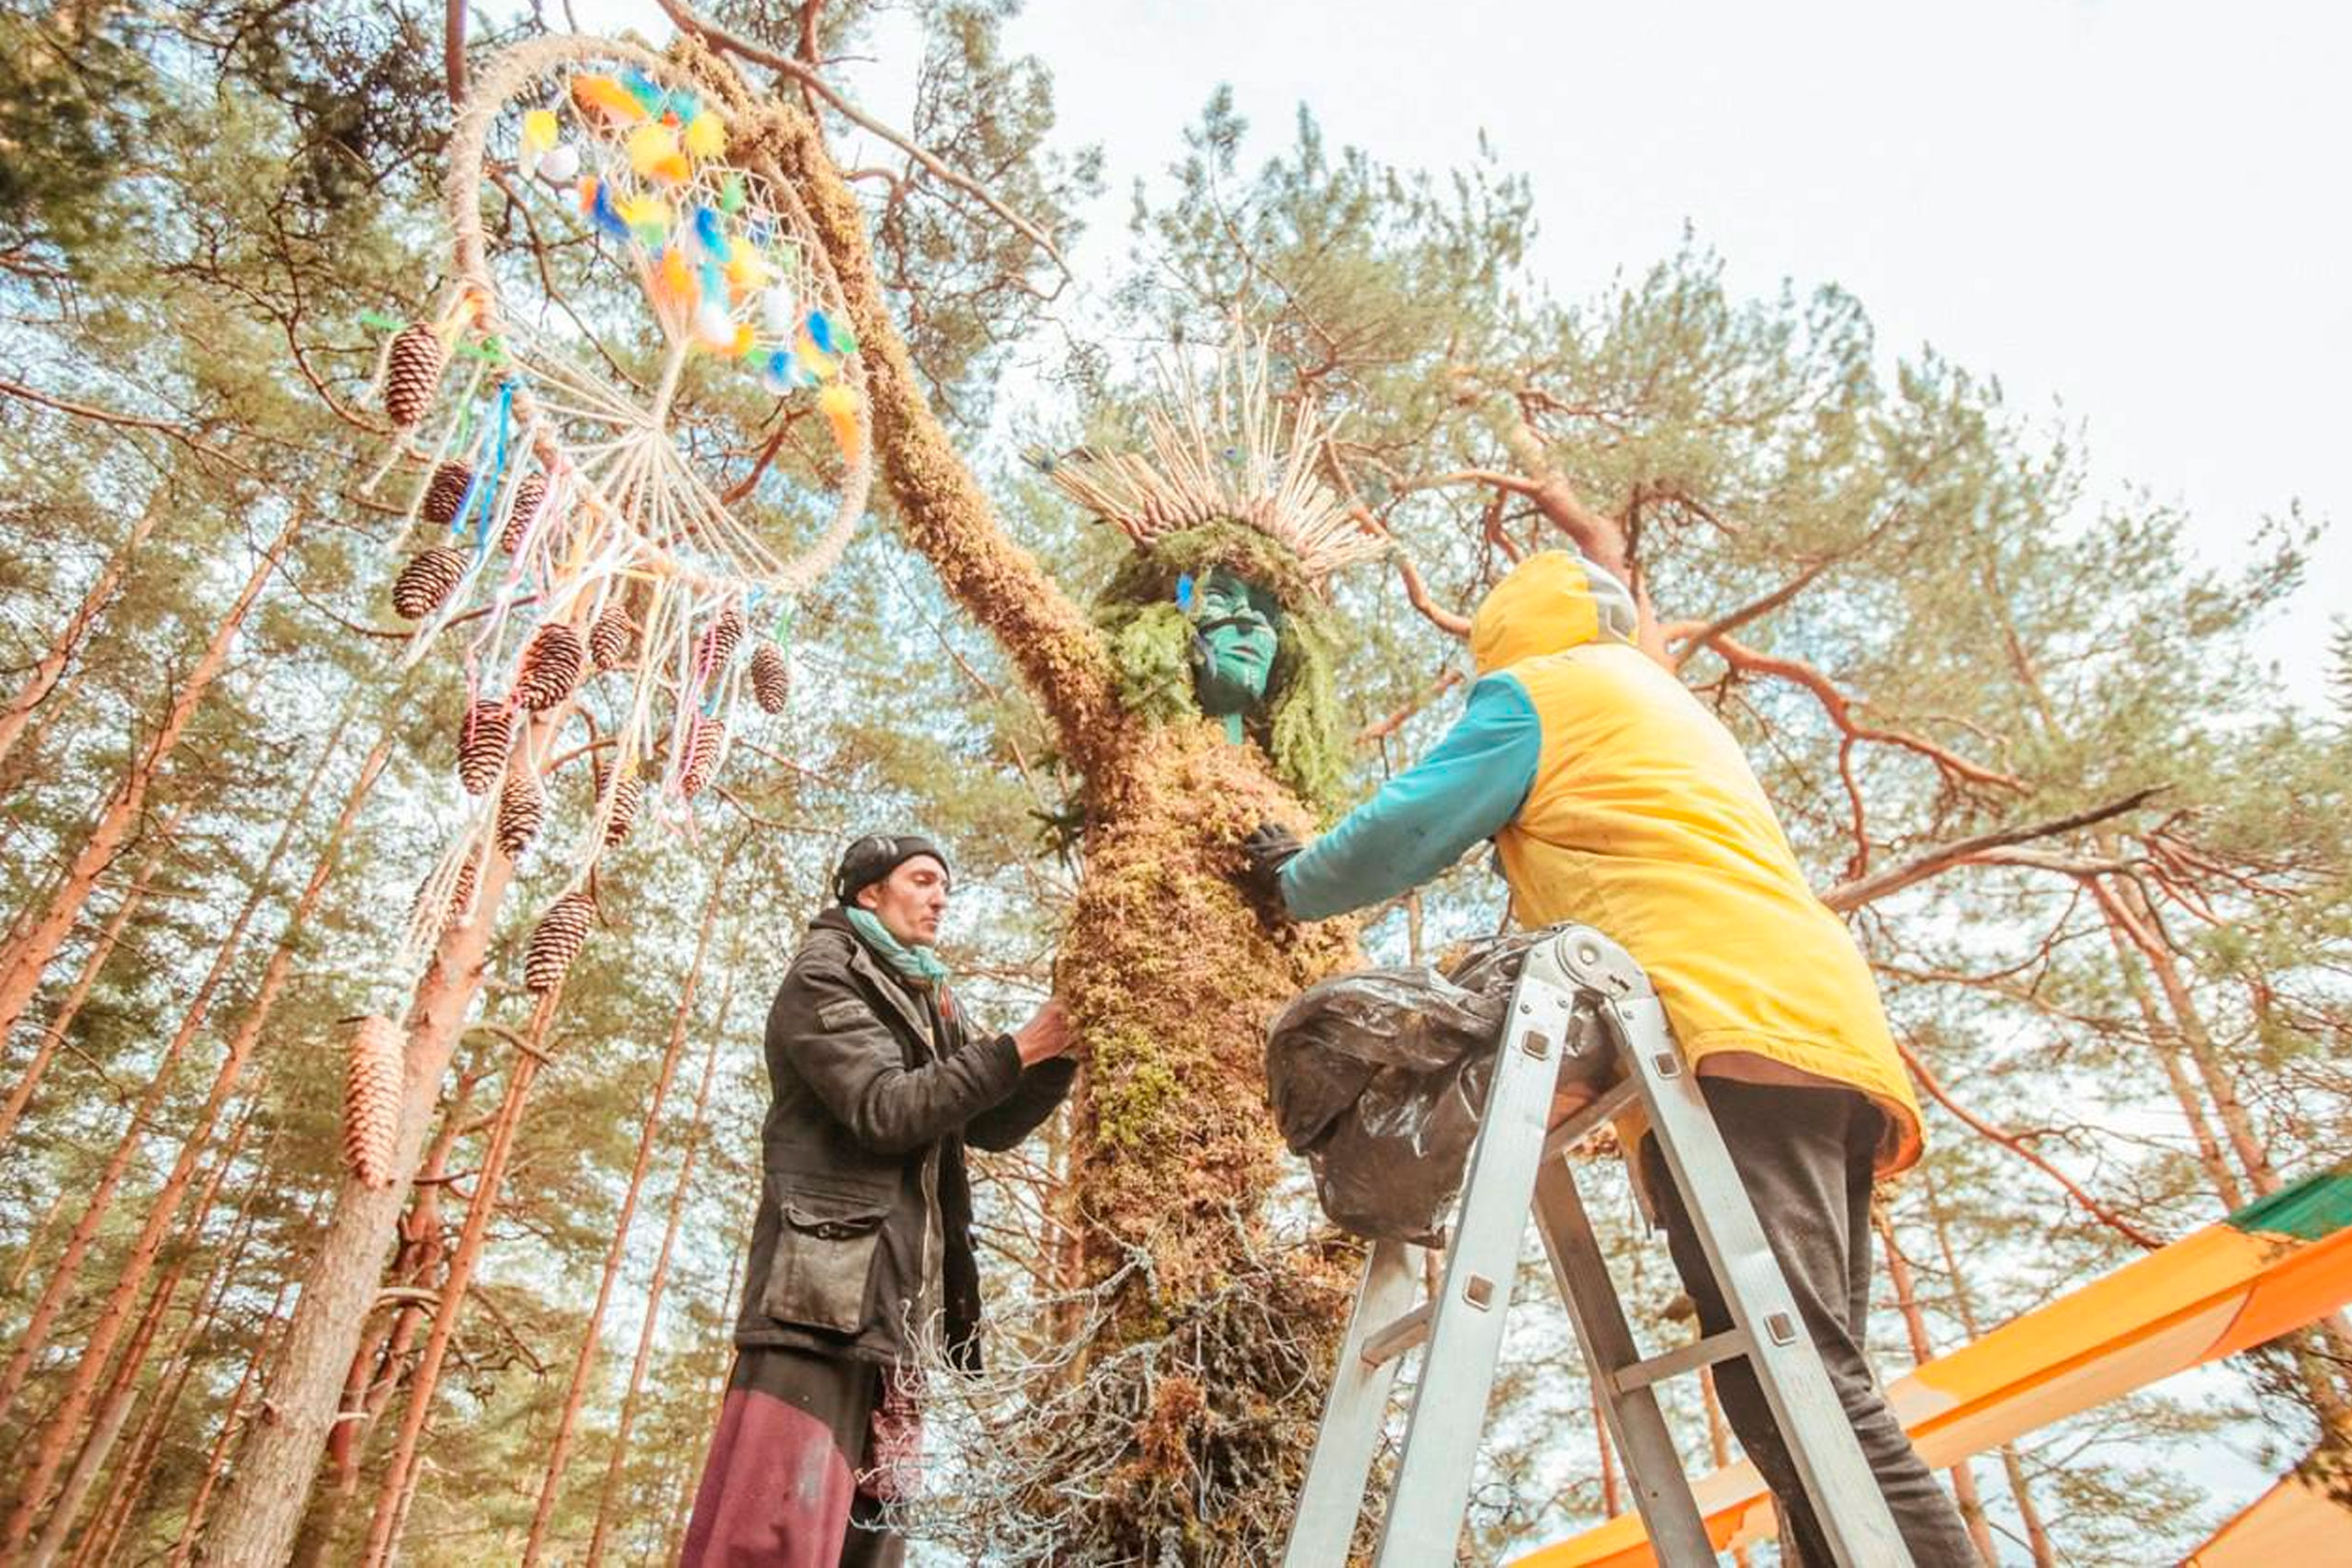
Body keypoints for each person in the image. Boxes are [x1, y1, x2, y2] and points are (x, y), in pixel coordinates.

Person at [1241, 549, 1979, 1566]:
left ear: (1505, 633)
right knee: (1804, 1389)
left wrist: (1294, 878)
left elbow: (1401, 834)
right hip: (1824, 1029)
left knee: (1802, 1384)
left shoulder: (1541, 691)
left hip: (1729, 1028)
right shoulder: (1660, 702)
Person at [682, 833, 1077, 1568]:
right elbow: (885, 1108)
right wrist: (1017, 1048)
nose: (940, 899)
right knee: (770, 1538)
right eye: (923, 880)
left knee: (870, 1548)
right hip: (817, 1310)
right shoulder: (826, 973)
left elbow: (986, 1124)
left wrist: (1060, 1053)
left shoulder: (928, 997)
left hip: (900, 1321)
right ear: (868, 892)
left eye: (946, 888)